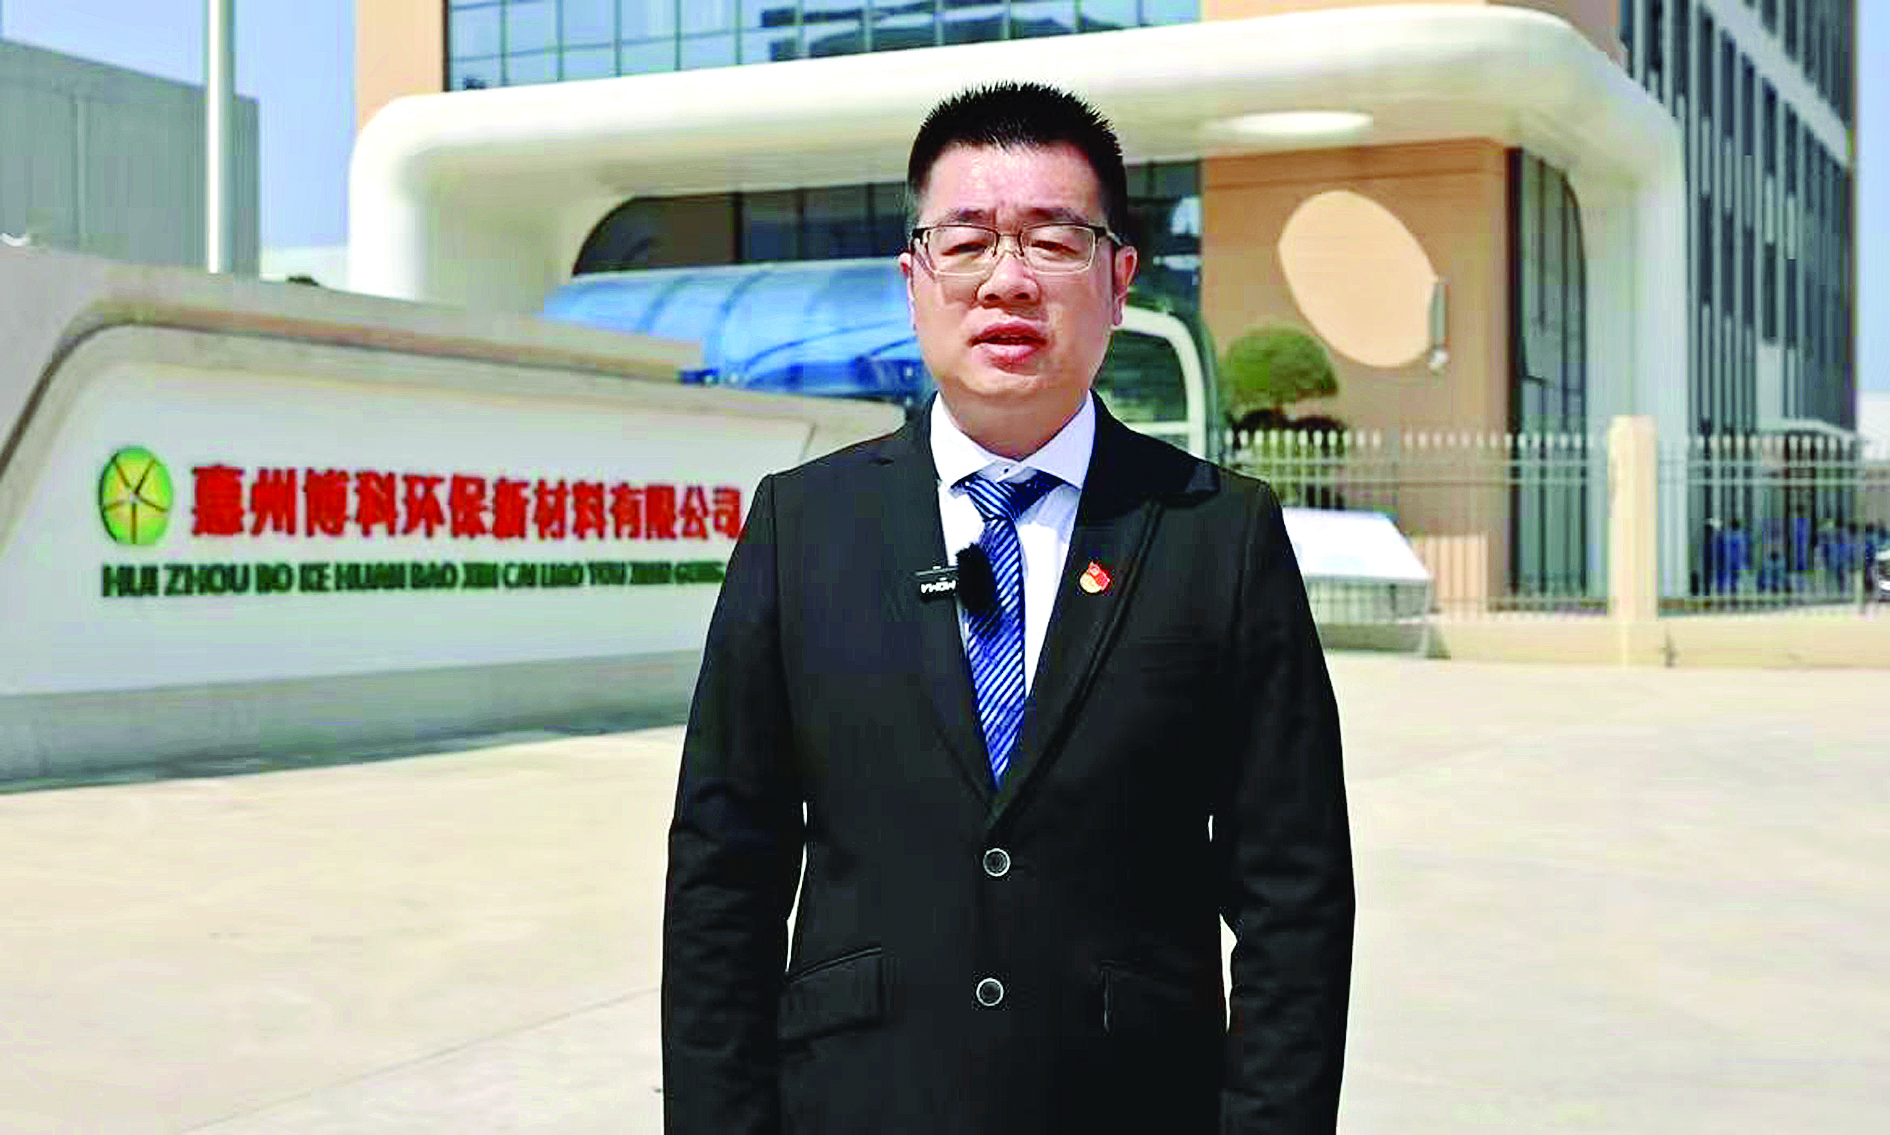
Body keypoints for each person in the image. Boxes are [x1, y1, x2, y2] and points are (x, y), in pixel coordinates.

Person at [661, 81, 1353, 1135]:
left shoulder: (1219, 533)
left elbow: (1294, 896)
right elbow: (724, 873)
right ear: (914, 280)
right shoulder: (802, 527)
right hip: (860, 1102)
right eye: (968, 241)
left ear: (1118, 281)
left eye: (1053, 241)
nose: (1008, 280)